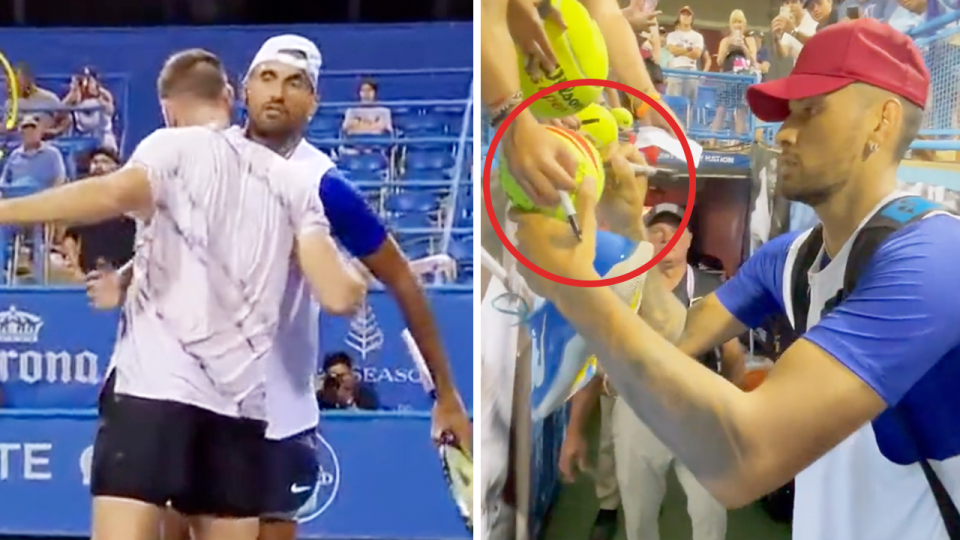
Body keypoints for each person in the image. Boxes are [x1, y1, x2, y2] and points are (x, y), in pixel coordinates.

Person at [511, 19, 960, 540]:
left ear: (881, 123)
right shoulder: (790, 257)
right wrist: (632, 229)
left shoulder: (936, 259)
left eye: (812, 110)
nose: (785, 132)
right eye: (787, 113)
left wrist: (570, 279)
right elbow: (677, 339)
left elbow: (745, 458)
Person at [0, 47, 367, 540]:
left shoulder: (169, 147)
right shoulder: (292, 183)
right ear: (230, 97)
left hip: (150, 397)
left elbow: (111, 193)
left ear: (168, 108)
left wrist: (6, 211)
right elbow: (342, 297)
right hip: (237, 414)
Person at [119, 35, 470, 540]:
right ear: (244, 90)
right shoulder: (200, 156)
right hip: (189, 402)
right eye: (266, 78)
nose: (277, 94)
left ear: (314, 101)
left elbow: (401, 279)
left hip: (278, 418)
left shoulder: (324, 185)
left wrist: (447, 395)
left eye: (294, 83)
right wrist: (127, 277)